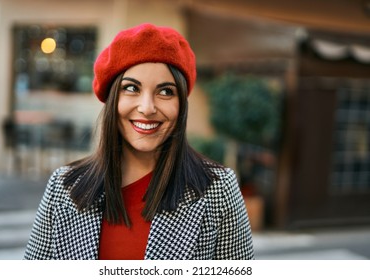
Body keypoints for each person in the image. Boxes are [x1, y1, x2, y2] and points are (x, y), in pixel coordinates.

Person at [24, 23, 254, 260]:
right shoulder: (64, 187)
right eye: (131, 88)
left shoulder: (217, 189)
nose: (147, 108)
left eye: (165, 92)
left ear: (181, 104)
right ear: (113, 98)